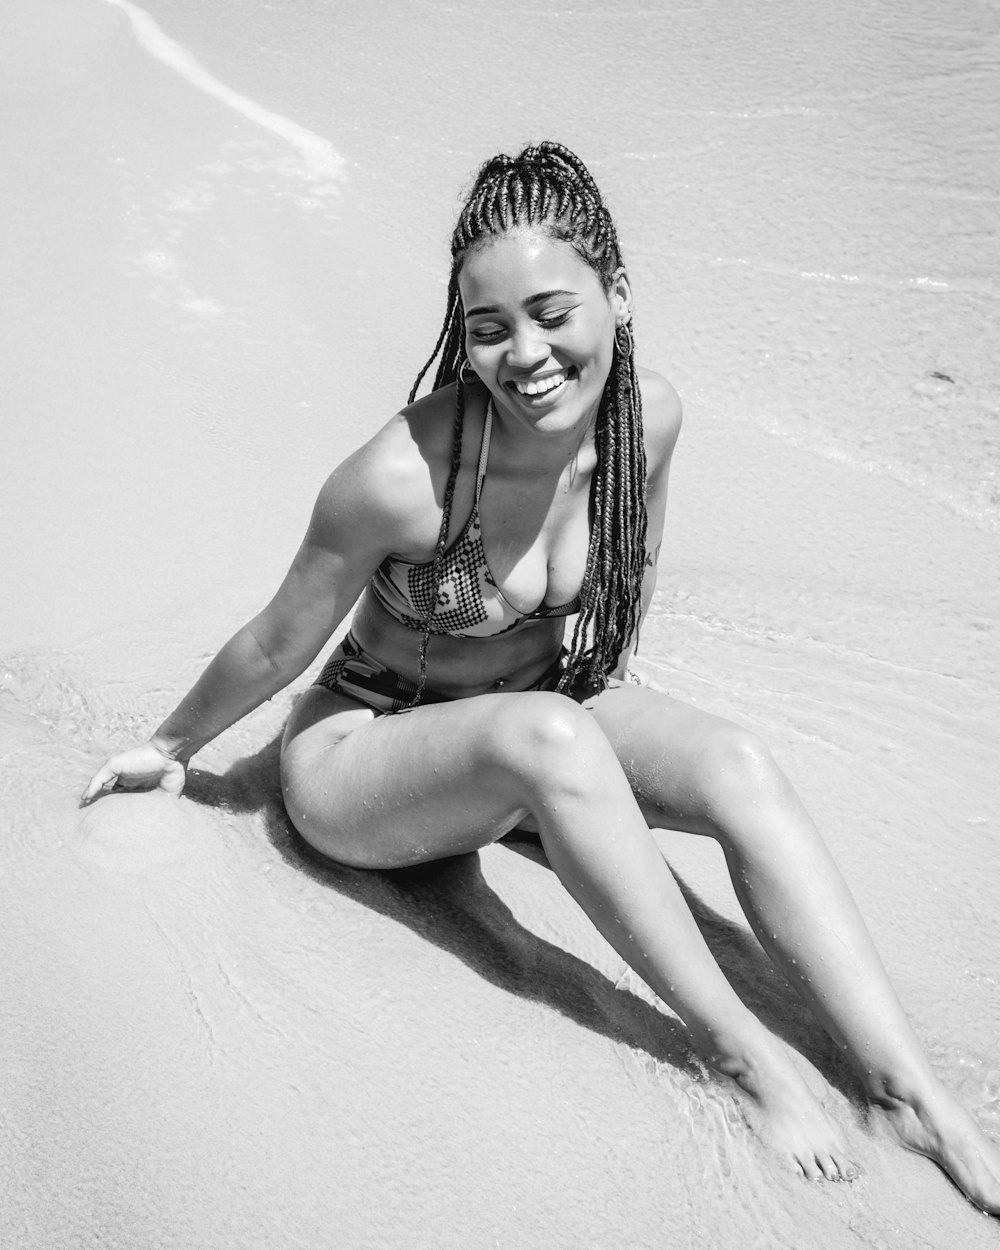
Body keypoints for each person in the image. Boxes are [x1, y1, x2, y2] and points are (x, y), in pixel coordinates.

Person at [83, 142, 1000, 1206]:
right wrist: (170, 746)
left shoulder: (646, 421)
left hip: (532, 723)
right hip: (363, 762)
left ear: (616, 295)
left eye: (551, 312)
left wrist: (598, 766)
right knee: (548, 737)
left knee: (734, 764)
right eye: (488, 328)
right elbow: (280, 642)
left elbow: (627, 594)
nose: (524, 353)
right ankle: (741, 1052)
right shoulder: (400, 477)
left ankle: (905, 1087)